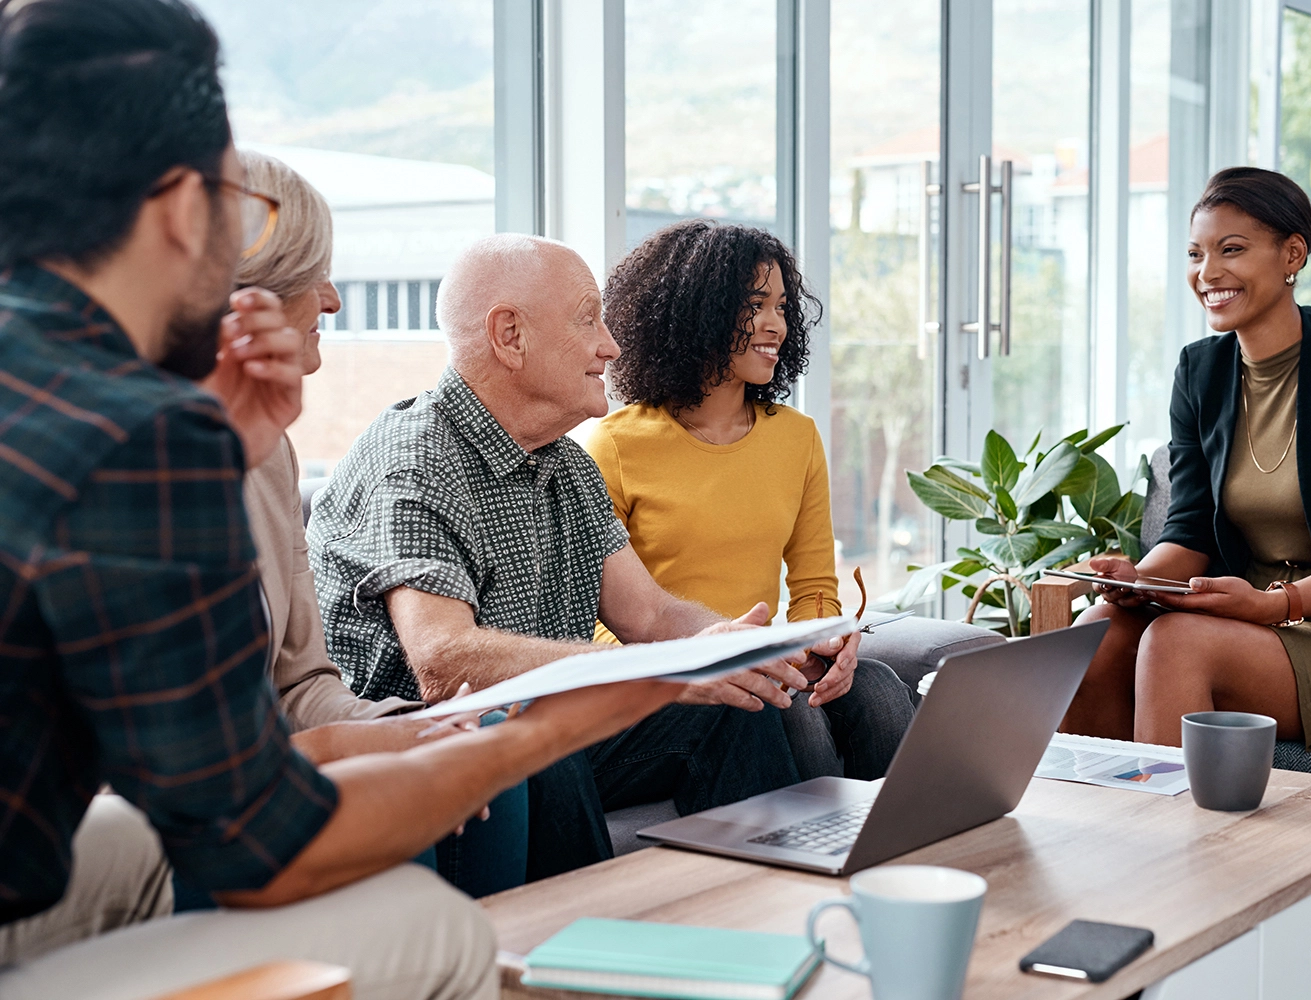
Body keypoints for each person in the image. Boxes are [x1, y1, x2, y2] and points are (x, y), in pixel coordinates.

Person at [0, 2, 684, 996]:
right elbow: (261, 841)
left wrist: (224, 454)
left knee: (140, 845)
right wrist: (552, 720)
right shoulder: (137, 427)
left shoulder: (55, 376)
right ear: (185, 211)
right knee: (437, 927)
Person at [307, 233, 809, 881]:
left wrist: (732, 649)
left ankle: (770, 913)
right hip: (428, 754)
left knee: (736, 704)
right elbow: (443, 660)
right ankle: (585, 964)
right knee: (545, 731)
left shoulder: (566, 464)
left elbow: (651, 616)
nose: (611, 344)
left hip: (525, 732)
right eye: (587, 319)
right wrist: (652, 674)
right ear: (510, 335)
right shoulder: (415, 458)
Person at [211, 149, 526, 900]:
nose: (333, 299)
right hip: (172, 801)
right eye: (313, 275)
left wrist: (412, 728)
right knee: (392, 805)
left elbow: (302, 682)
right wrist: (366, 744)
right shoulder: (120, 458)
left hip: (267, 760)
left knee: (486, 758)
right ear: (246, 300)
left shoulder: (270, 455)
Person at [1062, 167, 1311, 748]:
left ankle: (1171, 837)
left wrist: (1275, 605)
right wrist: (1141, 580)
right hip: (1247, 617)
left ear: (1292, 254)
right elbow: (1190, 532)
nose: (1208, 273)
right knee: (1098, 629)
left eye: (1232, 250)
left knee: (1175, 642)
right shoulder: (1199, 371)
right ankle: (1101, 824)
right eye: (1196, 253)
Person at [586, 219, 915, 780]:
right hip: (678, 674)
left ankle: (920, 855)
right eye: (754, 304)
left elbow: (813, 588)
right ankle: (806, 862)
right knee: (783, 709)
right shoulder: (615, 445)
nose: (775, 324)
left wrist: (828, 643)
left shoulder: (797, 438)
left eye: (783, 306)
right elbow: (606, 619)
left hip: (770, 660)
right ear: (697, 311)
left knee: (878, 688)